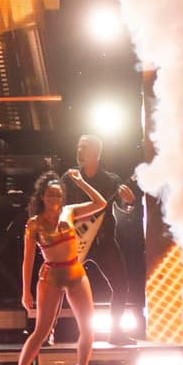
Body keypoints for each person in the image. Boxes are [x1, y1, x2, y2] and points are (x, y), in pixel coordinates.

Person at [11, 169, 106, 365]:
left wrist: (80, 182)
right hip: (51, 276)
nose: (55, 199)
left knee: (88, 327)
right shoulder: (34, 223)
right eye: (51, 195)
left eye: (58, 195)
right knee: (42, 330)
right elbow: (27, 260)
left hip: (74, 272)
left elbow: (100, 202)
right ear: (42, 197)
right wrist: (26, 291)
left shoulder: (70, 213)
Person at [68, 135, 138, 346]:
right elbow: (60, 208)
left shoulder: (111, 180)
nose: (80, 151)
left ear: (97, 154)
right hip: (75, 240)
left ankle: (115, 332)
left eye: (85, 148)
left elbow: (123, 206)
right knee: (60, 285)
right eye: (78, 147)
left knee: (121, 285)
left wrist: (129, 202)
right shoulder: (70, 177)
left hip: (104, 241)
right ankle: (49, 331)